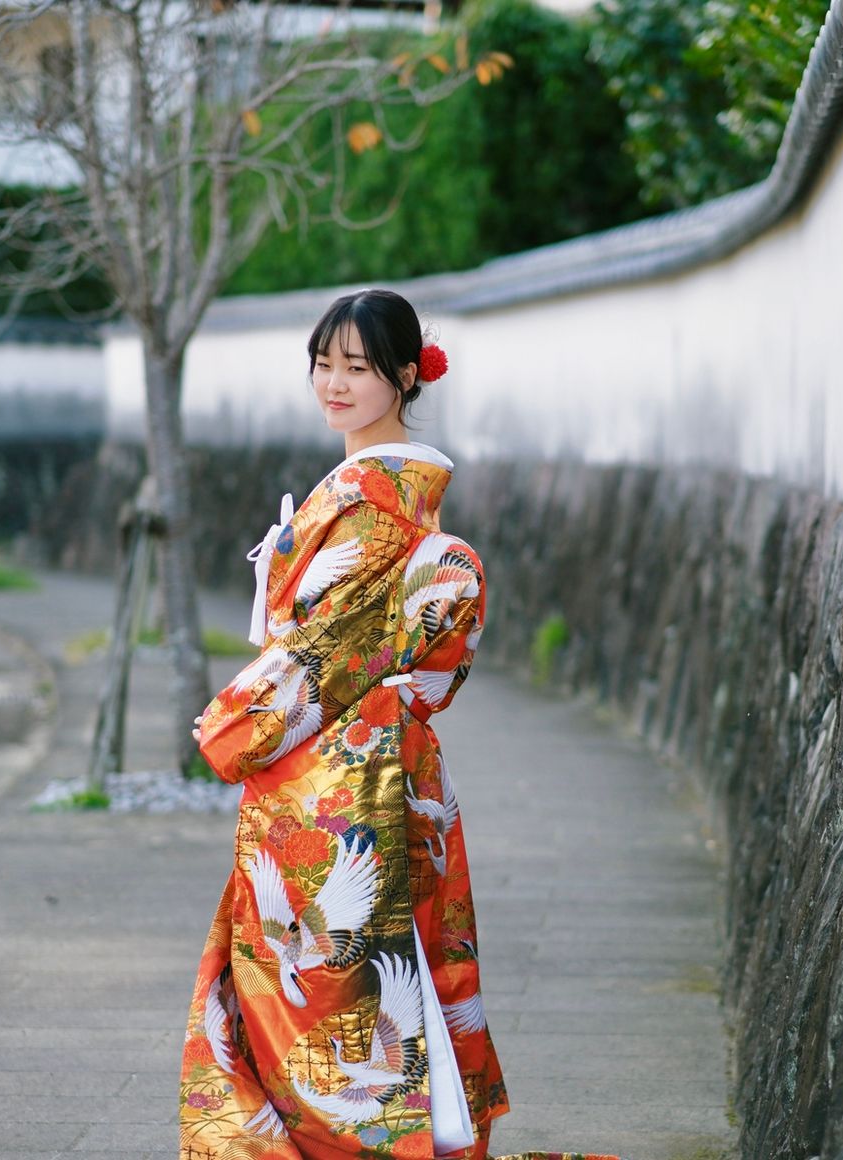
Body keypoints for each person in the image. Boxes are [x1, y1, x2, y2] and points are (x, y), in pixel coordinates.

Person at [180, 289, 618, 1160]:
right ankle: (431, 1131)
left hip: (340, 771)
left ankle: (379, 1142)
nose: (334, 383)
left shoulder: (375, 503)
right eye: (324, 364)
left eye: (359, 367)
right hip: (369, 756)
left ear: (407, 377)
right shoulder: (375, 491)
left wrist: (234, 721)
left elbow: (325, 653)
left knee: (338, 979)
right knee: (384, 963)